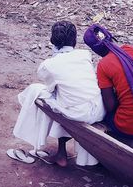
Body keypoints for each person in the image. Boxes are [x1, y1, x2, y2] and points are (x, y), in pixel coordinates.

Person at [12, 21, 105, 167]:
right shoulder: (84, 55)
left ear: (52, 40)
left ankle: (56, 151)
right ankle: (61, 153)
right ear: (74, 41)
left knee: (37, 92)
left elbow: (49, 87)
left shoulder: (48, 65)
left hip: (78, 113)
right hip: (99, 109)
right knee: (64, 98)